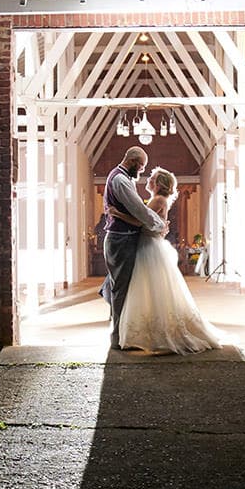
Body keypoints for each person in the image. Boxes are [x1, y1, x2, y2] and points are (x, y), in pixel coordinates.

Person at [118, 167, 223, 355]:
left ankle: (158, 334)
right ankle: (151, 333)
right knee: (152, 291)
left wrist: (117, 214)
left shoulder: (158, 200)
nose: (148, 180)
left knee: (151, 291)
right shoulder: (159, 200)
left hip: (149, 248)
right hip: (151, 245)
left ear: (159, 184)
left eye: (152, 178)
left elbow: (139, 220)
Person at [101, 146, 167, 350]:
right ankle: (118, 337)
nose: (142, 170)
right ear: (132, 161)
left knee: (122, 287)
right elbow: (140, 211)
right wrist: (160, 225)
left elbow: (138, 213)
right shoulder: (120, 180)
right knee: (121, 289)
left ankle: (124, 334)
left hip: (124, 238)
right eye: (141, 166)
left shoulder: (124, 178)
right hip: (121, 240)